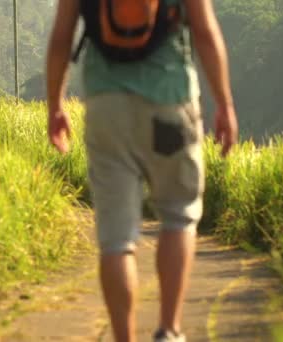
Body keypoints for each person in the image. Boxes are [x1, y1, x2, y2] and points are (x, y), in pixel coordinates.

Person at [46, 1, 238, 342]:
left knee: (116, 238)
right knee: (178, 214)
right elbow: (206, 33)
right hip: (170, 101)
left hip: (107, 109)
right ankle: (169, 330)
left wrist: (55, 106)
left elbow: (61, 38)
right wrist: (224, 103)